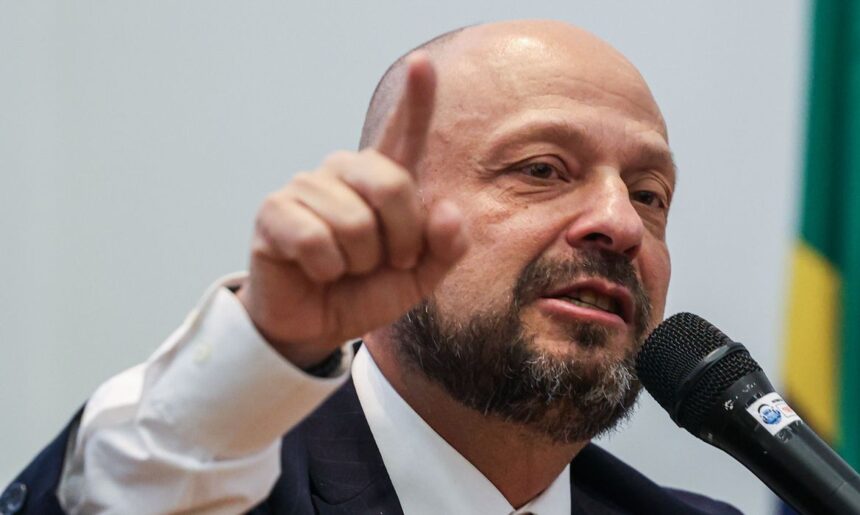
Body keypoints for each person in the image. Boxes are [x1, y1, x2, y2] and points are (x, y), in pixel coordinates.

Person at [4, 20, 741, 514]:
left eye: (649, 194)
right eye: (542, 169)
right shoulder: (219, 484)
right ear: (388, 211)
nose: (620, 223)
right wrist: (264, 345)